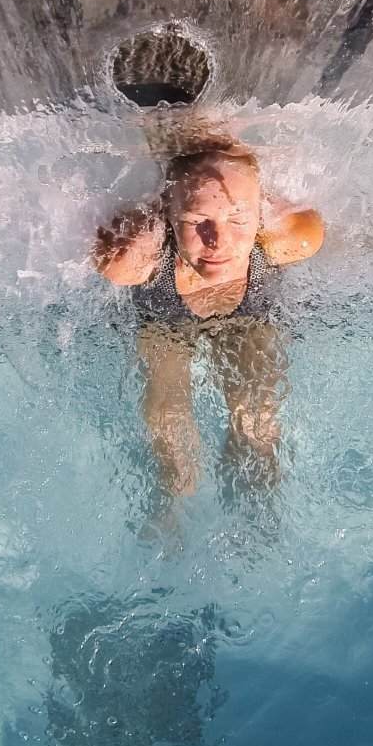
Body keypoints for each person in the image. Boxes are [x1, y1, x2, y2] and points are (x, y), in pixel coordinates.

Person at [93, 140, 324, 497]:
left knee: (258, 426)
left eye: (237, 218)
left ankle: (258, 515)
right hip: (166, 326)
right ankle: (173, 513)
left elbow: (309, 228)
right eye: (197, 220)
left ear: (260, 214)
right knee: (171, 432)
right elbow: (111, 257)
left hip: (245, 319)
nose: (217, 241)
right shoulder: (143, 260)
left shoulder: (287, 241)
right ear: (168, 213)